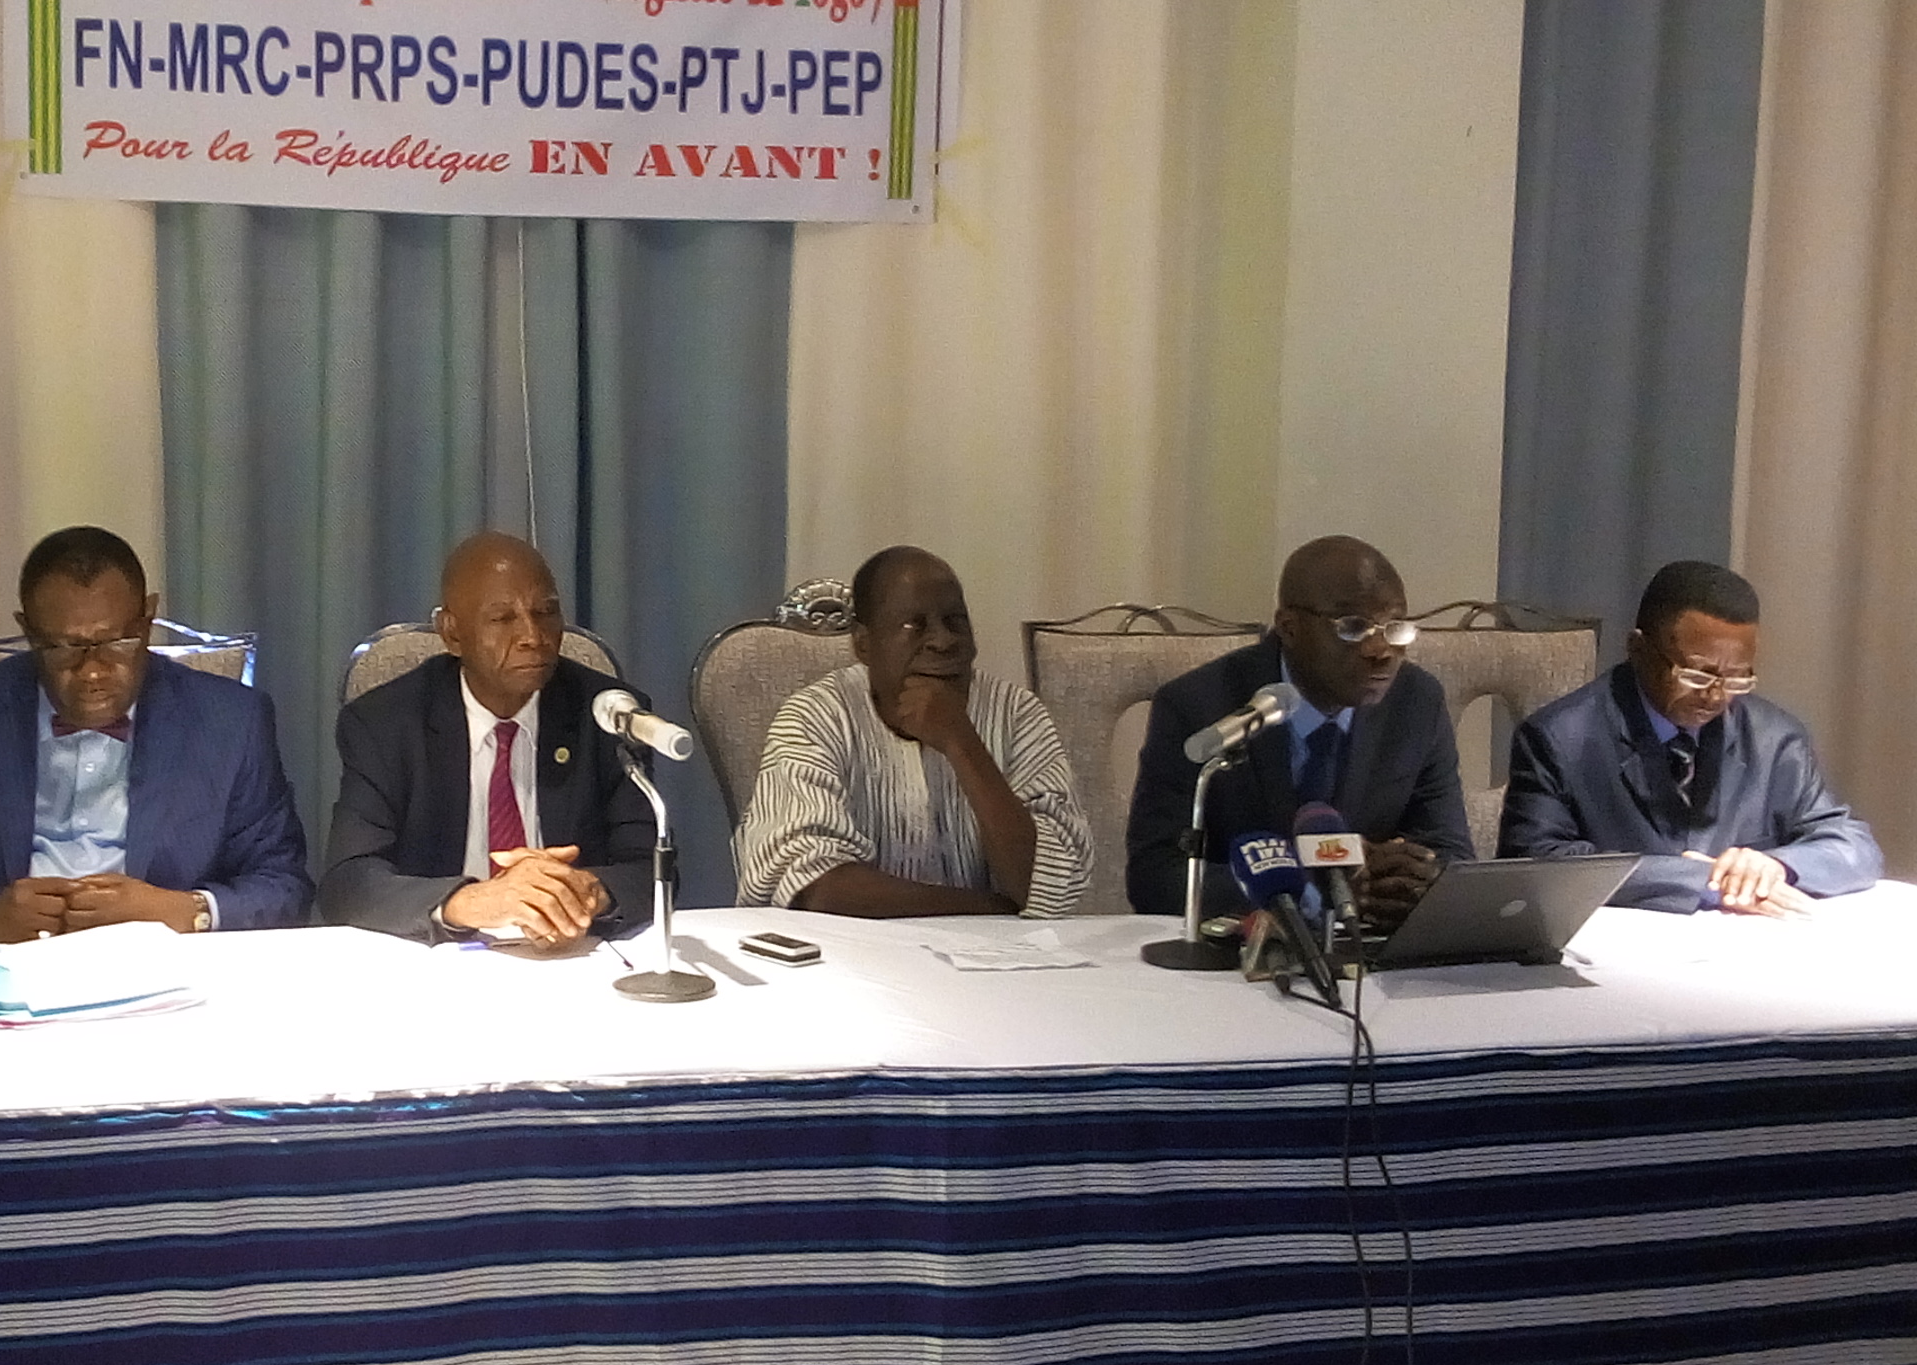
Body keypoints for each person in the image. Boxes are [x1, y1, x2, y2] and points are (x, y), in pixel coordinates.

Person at [0, 526, 311, 943]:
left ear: (147, 620)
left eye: (116, 643)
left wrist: (181, 910)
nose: (92, 671)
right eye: (65, 648)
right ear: (29, 632)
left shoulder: (231, 721)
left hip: (163, 964)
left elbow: (284, 885)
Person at [319, 531, 653, 944]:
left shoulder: (606, 716)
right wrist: (469, 902)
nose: (533, 636)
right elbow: (348, 882)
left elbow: (651, 870)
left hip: (570, 952)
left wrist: (584, 892)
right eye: (502, 619)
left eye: (546, 612)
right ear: (452, 634)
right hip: (440, 956)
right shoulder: (385, 724)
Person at [1126, 535, 1472, 925]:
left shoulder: (1416, 702)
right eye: (1353, 627)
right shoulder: (1201, 707)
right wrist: (1318, 888)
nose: (1380, 650)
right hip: (1245, 950)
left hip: (1374, 947)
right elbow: (1155, 878)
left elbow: (1451, 852)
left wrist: (1415, 880)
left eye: (1395, 627)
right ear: (1289, 628)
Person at [1499, 559, 1880, 914]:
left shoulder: (1775, 740)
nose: (1716, 696)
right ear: (1638, 649)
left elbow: (1854, 846)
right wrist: (1704, 879)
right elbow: (1536, 864)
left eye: (1736, 678)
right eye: (1697, 676)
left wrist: (1775, 866)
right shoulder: (1560, 738)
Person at [733, 545, 1092, 918]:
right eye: (914, 626)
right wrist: (988, 908)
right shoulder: (815, 717)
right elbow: (815, 887)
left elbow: (1052, 886)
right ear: (864, 645)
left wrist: (961, 742)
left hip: (1003, 954)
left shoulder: (1016, 713)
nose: (943, 641)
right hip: (851, 951)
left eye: (955, 621)